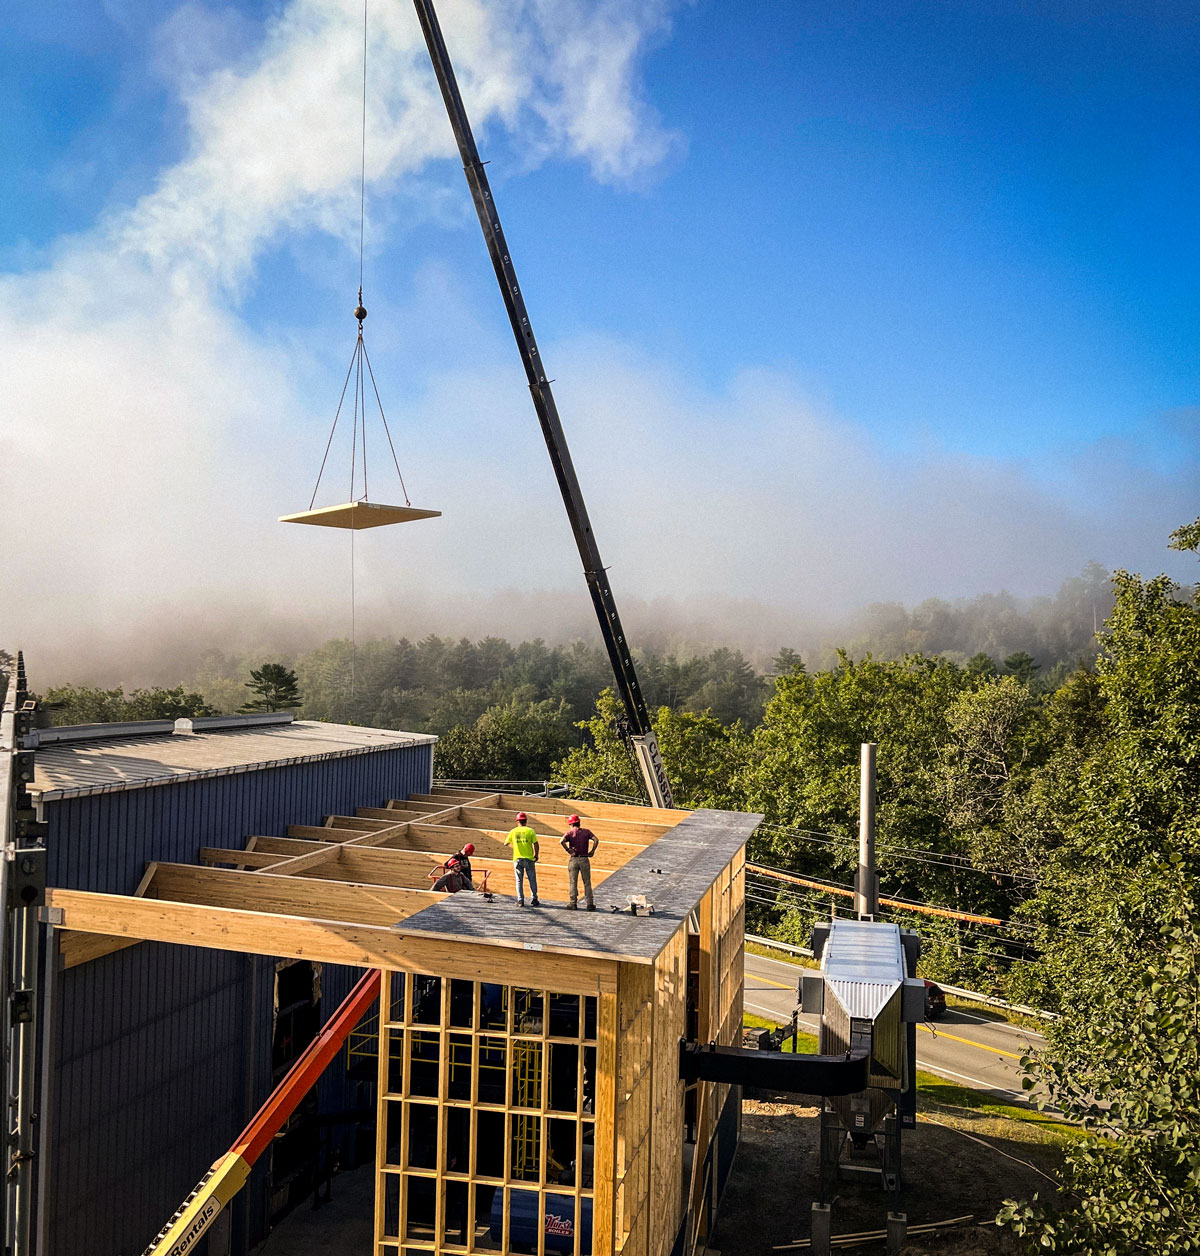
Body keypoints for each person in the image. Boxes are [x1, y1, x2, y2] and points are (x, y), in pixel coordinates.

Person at [560, 814, 598, 910]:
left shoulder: (570, 833)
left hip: (574, 859)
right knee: (587, 882)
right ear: (579, 822)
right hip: (584, 859)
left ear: (571, 824)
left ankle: (573, 903)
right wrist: (592, 851)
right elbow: (596, 840)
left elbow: (561, 841)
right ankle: (589, 904)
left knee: (573, 882)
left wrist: (568, 850)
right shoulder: (586, 832)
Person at [505, 811, 540, 906]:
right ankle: (534, 899)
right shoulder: (530, 831)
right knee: (532, 879)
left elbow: (506, 843)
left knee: (519, 880)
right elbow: (536, 844)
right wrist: (536, 855)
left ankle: (520, 900)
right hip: (529, 859)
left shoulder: (513, 831)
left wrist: (515, 843)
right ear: (526, 821)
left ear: (517, 821)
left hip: (517, 859)